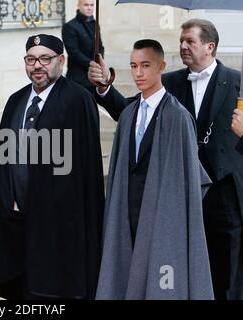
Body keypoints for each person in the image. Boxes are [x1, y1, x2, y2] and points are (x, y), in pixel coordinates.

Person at [89, 19, 242, 300]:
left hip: (222, 194)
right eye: (181, 41)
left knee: (226, 271)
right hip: (175, 190)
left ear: (210, 46)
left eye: (190, 41)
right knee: (175, 261)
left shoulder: (238, 81)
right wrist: (104, 89)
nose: (182, 46)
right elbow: (131, 112)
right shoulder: (170, 82)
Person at [0, 34, 105, 299]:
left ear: (61, 61)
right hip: (16, 219)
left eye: (45, 59)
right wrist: (2, 203)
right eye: (31, 59)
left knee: (50, 292)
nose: (37, 65)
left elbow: (87, 168)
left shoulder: (78, 99)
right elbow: (2, 158)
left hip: (58, 222)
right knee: (18, 289)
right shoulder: (16, 100)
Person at [61, 0, 104, 92]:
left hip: (94, 75)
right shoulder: (70, 26)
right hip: (78, 77)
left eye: (92, 5)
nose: (89, 8)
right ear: (78, 6)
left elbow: (100, 46)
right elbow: (73, 52)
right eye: (86, 5)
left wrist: (100, 61)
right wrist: (91, 64)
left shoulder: (95, 24)